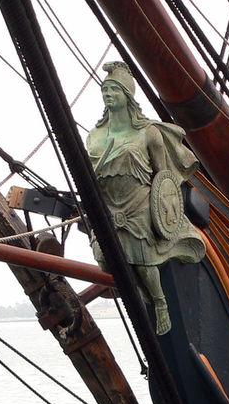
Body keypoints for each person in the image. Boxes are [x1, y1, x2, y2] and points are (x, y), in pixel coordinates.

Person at [86, 61, 205, 334]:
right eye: (105, 89)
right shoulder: (94, 136)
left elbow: (164, 177)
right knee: (105, 259)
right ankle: (140, 297)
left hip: (138, 201)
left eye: (114, 89)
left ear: (127, 95)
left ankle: (159, 303)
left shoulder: (148, 133)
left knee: (143, 261)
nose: (108, 94)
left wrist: (163, 213)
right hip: (108, 204)